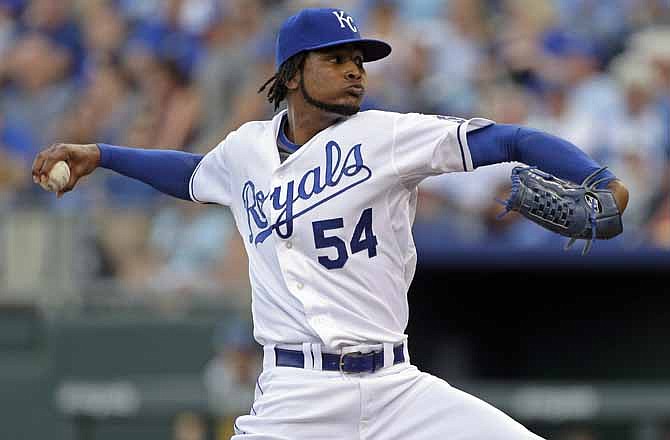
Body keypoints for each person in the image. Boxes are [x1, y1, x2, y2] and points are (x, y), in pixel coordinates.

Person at [32, 7, 629, 439]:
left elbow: (510, 137)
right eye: (336, 59)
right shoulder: (245, 152)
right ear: (292, 73)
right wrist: (105, 155)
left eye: (359, 61)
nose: (355, 71)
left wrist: (599, 178)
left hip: (399, 389)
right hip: (298, 396)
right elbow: (191, 174)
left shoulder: (386, 136)